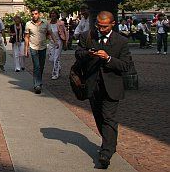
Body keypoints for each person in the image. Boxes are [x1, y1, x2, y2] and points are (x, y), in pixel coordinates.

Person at [75, 11, 132, 169]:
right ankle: (109, 143)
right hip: (93, 85)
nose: (100, 29)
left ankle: (106, 152)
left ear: (113, 24)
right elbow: (78, 54)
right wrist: (88, 53)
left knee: (109, 118)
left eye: (104, 26)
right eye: (98, 25)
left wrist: (108, 59)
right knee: (99, 117)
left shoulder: (121, 41)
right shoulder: (88, 36)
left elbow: (125, 66)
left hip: (112, 86)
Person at [24, 9, 54, 94]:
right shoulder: (28, 24)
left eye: (36, 14)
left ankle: (39, 82)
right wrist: (26, 49)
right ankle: (37, 85)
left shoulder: (45, 23)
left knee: (41, 66)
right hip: (33, 47)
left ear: (39, 14)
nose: (34, 15)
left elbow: (49, 33)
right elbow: (26, 37)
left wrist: (54, 41)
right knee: (36, 66)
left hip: (43, 47)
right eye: (33, 14)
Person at [49, 10, 67, 80]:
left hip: (59, 41)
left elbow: (64, 33)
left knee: (56, 58)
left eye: (54, 13)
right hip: (51, 42)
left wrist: (65, 43)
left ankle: (55, 74)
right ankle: (58, 67)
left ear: (57, 15)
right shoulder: (48, 23)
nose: (53, 15)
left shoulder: (61, 23)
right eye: (51, 13)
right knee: (51, 59)